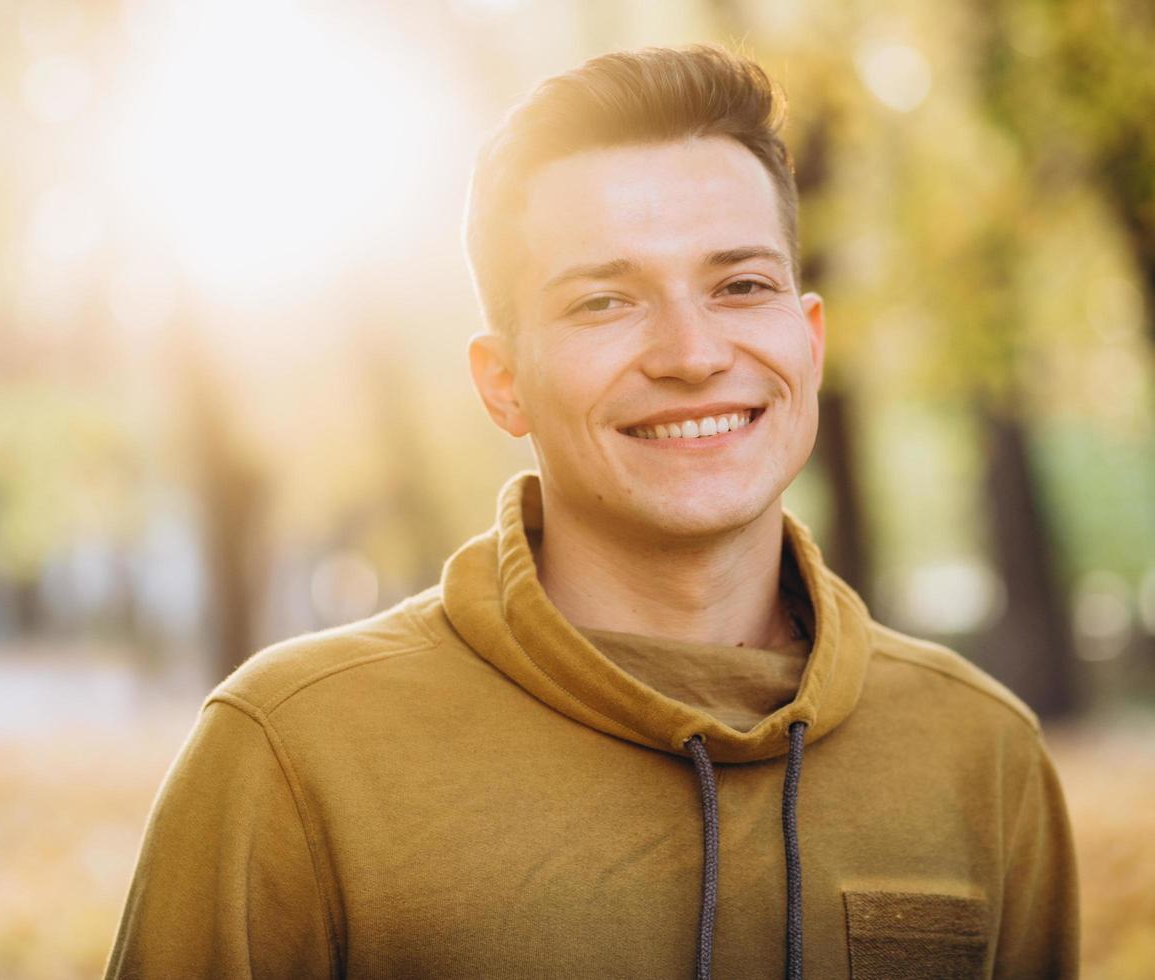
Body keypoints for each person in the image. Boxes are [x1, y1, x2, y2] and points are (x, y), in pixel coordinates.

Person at [104, 45, 1080, 979]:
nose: (693, 353)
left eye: (741, 285)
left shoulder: (982, 754)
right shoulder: (290, 748)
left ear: (809, 342)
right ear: (503, 382)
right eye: (605, 302)